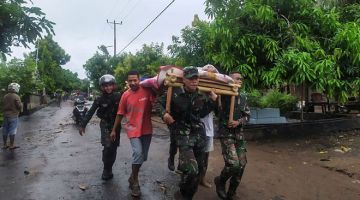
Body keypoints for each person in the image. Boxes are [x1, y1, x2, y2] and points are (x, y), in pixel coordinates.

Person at [158, 66, 217, 199]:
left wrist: (213, 101)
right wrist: (164, 115)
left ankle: (187, 195)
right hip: (182, 133)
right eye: (190, 78)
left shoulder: (201, 95)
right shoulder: (174, 92)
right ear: (184, 79)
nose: (194, 81)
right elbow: (158, 103)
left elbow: (202, 113)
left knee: (198, 170)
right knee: (192, 169)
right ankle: (183, 192)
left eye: (196, 78)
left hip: (198, 134)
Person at [110, 70, 155, 197]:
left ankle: (131, 177)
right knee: (138, 153)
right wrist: (114, 130)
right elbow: (120, 113)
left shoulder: (147, 90)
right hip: (132, 129)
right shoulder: (125, 95)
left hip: (146, 129)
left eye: (135, 80)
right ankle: (135, 182)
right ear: (127, 81)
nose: (133, 82)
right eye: (130, 80)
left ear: (139, 79)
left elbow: (159, 93)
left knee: (143, 156)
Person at [214, 72, 250, 200]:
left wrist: (238, 122)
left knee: (242, 164)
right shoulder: (222, 95)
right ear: (230, 80)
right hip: (226, 134)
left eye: (241, 78)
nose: (240, 80)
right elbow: (215, 111)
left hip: (239, 135)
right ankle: (220, 181)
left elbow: (247, 116)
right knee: (233, 164)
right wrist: (214, 97)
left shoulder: (243, 96)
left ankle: (232, 192)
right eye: (237, 78)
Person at [79, 74, 122, 180]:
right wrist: (83, 124)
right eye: (105, 86)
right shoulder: (99, 99)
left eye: (110, 85)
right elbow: (90, 112)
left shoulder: (119, 96)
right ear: (102, 87)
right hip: (105, 124)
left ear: (114, 85)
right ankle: (106, 169)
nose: (108, 88)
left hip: (116, 125)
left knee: (113, 148)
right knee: (107, 147)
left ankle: (109, 167)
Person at [2, 83, 22, 150]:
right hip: (13, 115)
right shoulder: (16, 96)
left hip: (5, 115)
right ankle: (11, 145)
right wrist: (20, 107)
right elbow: (19, 106)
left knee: (5, 130)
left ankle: (4, 145)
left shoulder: (5, 96)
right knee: (12, 130)